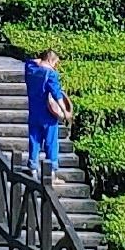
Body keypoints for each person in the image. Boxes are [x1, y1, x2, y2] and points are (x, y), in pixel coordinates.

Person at [22, 49, 72, 180]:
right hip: (47, 115)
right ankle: (51, 173)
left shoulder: (30, 68)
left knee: (34, 140)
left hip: (34, 112)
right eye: (55, 63)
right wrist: (65, 112)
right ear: (51, 60)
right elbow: (57, 94)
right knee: (51, 143)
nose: (55, 67)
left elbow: (32, 61)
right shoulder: (50, 74)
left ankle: (32, 168)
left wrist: (43, 61)